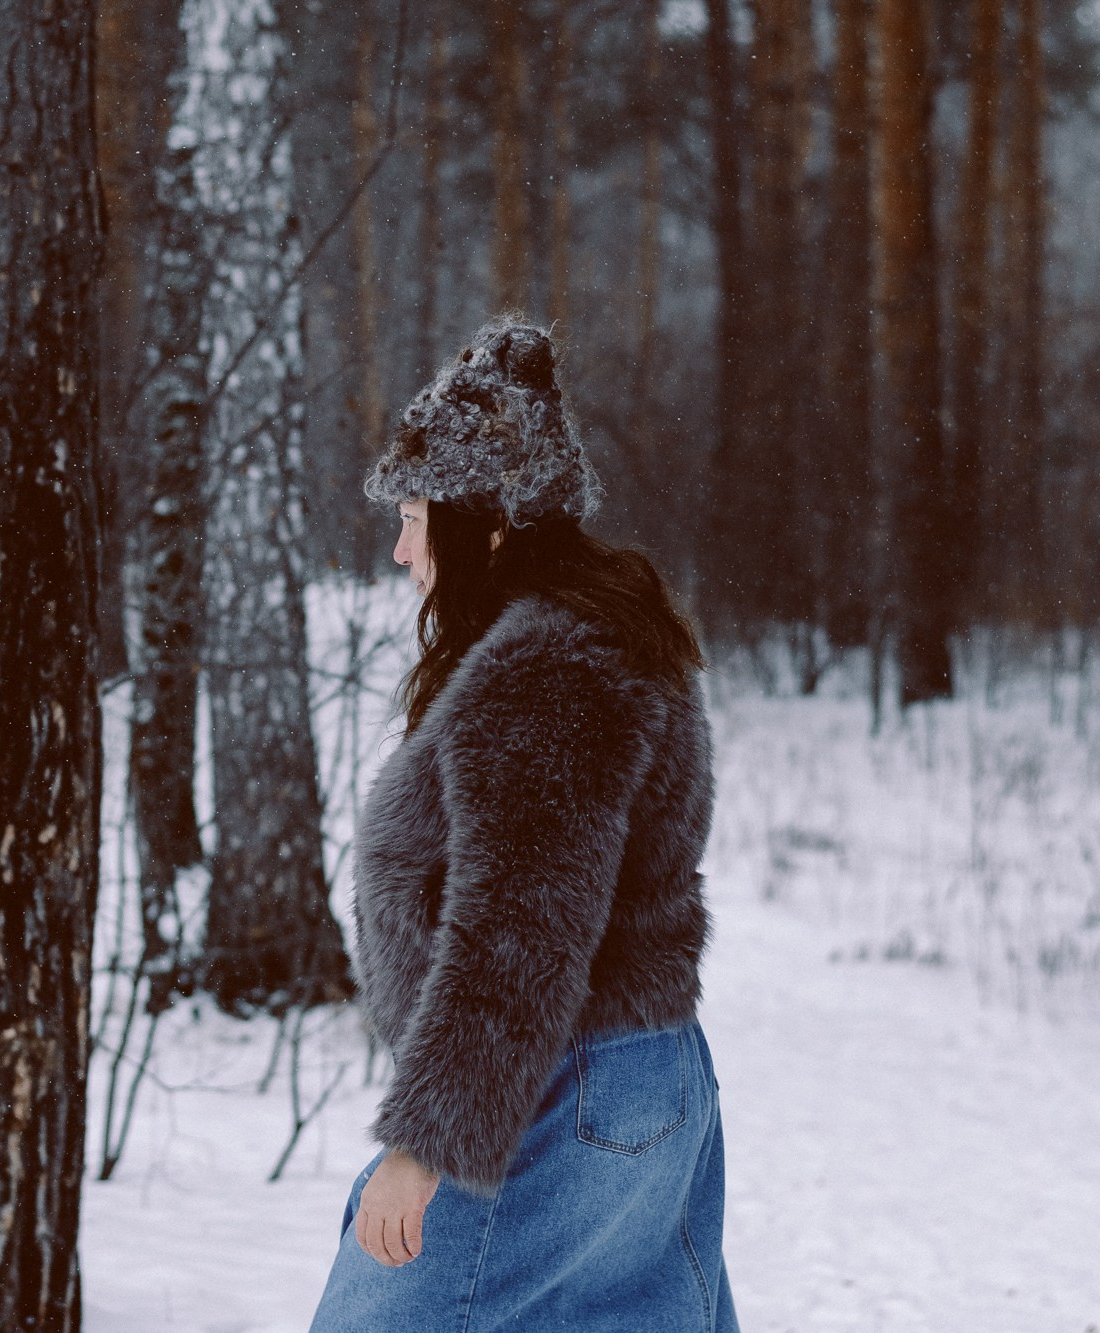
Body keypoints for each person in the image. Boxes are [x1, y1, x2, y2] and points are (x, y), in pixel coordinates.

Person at [308, 318, 740, 1331]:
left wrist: (422, 1150)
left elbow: (521, 928)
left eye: (415, 517)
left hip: (548, 1089)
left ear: (485, 521)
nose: (402, 549)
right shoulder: (591, 635)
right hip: (631, 1075)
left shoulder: (548, 665)